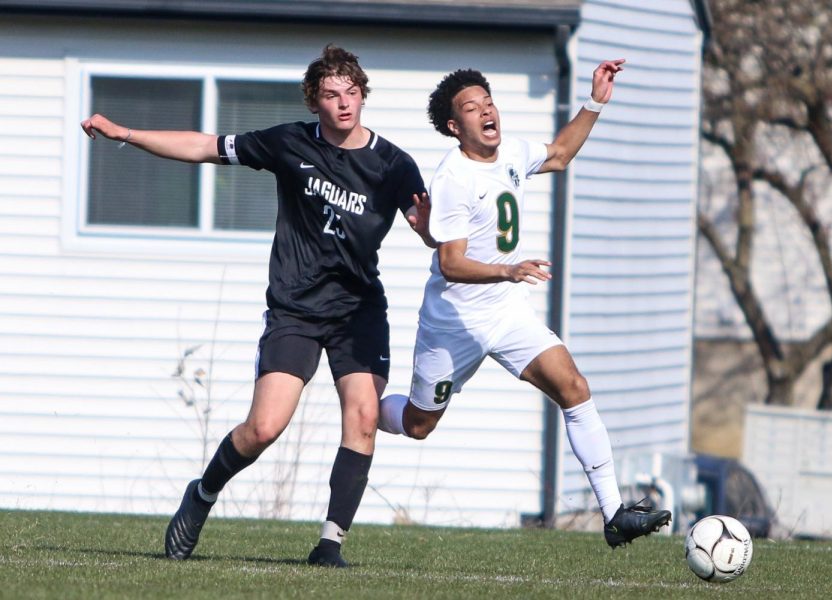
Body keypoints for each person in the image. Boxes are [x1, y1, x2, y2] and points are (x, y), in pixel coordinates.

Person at [82, 45, 432, 567]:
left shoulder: (394, 164)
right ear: (314, 101)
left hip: (357, 311)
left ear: (363, 97)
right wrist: (127, 134)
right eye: (331, 95)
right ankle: (203, 493)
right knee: (263, 428)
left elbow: (429, 233)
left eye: (352, 93)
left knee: (361, 416)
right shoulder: (288, 142)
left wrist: (443, 225)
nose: (343, 103)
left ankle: (329, 545)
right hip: (295, 308)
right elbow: (203, 146)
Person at [377, 60, 671, 548]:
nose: (486, 111)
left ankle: (614, 513)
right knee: (418, 423)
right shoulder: (453, 176)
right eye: (472, 108)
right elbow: (450, 262)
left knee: (573, 387)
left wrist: (596, 100)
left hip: (507, 312)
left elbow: (558, 154)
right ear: (455, 126)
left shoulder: (510, 151)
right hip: (454, 321)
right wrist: (507, 270)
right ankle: (366, 412)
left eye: (488, 101)